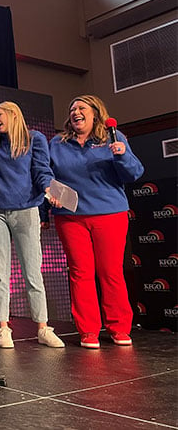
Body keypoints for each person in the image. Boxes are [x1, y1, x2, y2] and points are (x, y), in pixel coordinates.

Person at [49, 95, 144, 348]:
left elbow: (134, 173)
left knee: (110, 272)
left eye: (81, 107)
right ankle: (88, 330)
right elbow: (44, 175)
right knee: (80, 273)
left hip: (109, 214)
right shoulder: (57, 143)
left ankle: (119, 327)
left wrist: (122, 155)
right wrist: (51, 196)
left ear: (95, 113)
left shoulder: (113, 137)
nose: (75, 112)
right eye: (72, 109)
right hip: (70, 217)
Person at [0, 101, 64, 349]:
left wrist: (48, 188)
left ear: (13, 114)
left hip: (26, 209)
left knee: (33, 271)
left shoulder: (35, 139)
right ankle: (3, 327)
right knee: (0, 273)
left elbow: (42, 170)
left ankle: (43, 328)